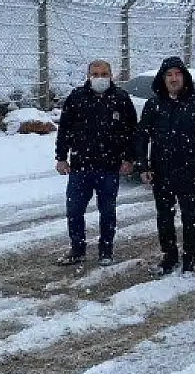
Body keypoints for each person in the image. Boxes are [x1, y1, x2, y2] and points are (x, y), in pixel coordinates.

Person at [135, 56, 195, 275]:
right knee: (164, 217)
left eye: (177, 74)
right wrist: (143, 166)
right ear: (163, 78)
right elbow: (142, 137)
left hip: (189, 171)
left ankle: (190, 257)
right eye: (169, 74)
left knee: (190, 217)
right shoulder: (154, 105)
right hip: (161, 171)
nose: (173, 78)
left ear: (184, 77)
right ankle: (169, 255)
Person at [54, 60, 137, 266]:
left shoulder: (121, 99)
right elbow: (65, 129)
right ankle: (77, 248)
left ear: (111, 76)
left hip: (109, 168)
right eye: (96, 74)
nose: (100, 78)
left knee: (107, 212)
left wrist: (129, 158)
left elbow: (131, 132)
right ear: (88, 76)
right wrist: (61, 157)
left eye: (104, 74)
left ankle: (106, 250)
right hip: (81, 167)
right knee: (74, 210)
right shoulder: (77, 98)